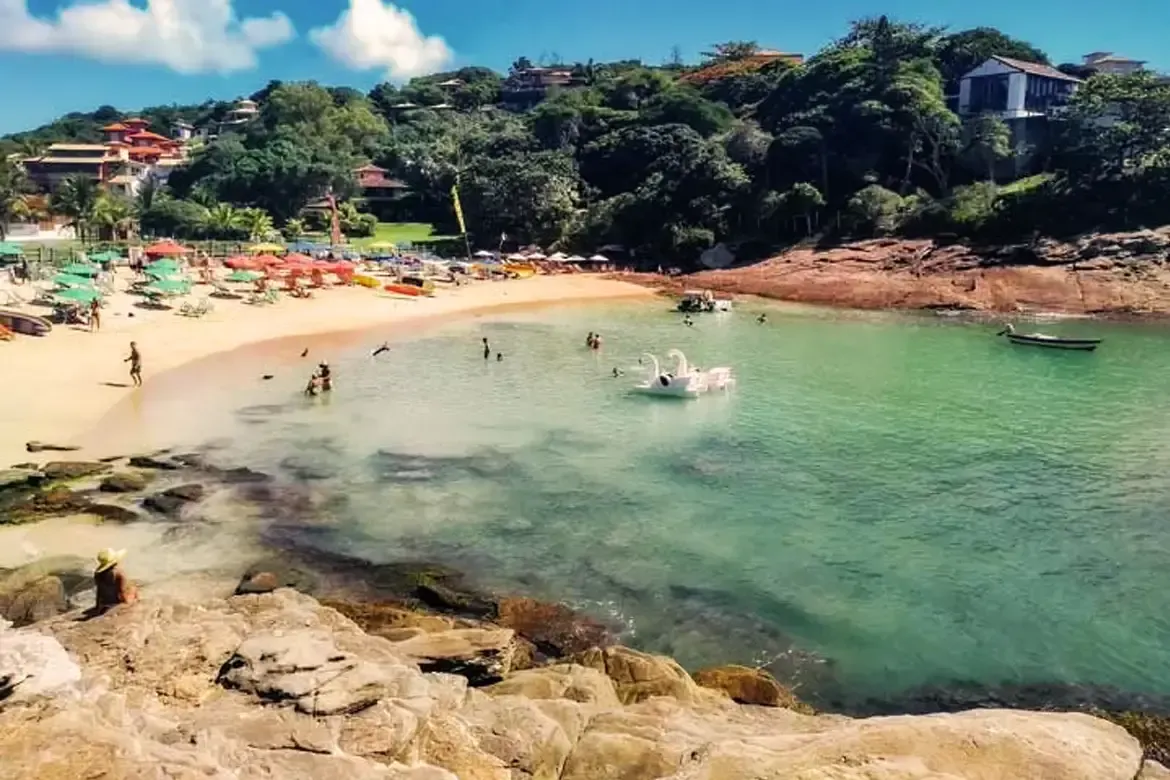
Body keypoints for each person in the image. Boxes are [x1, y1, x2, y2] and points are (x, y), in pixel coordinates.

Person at [93, 548, 137, 614]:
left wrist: (97, 606)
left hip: (103, 606)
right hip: (114, 605)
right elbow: (121, 592)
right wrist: (129, 603)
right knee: (133, 588)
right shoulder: (118, 573)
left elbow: (99, 591)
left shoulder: (98, 574)